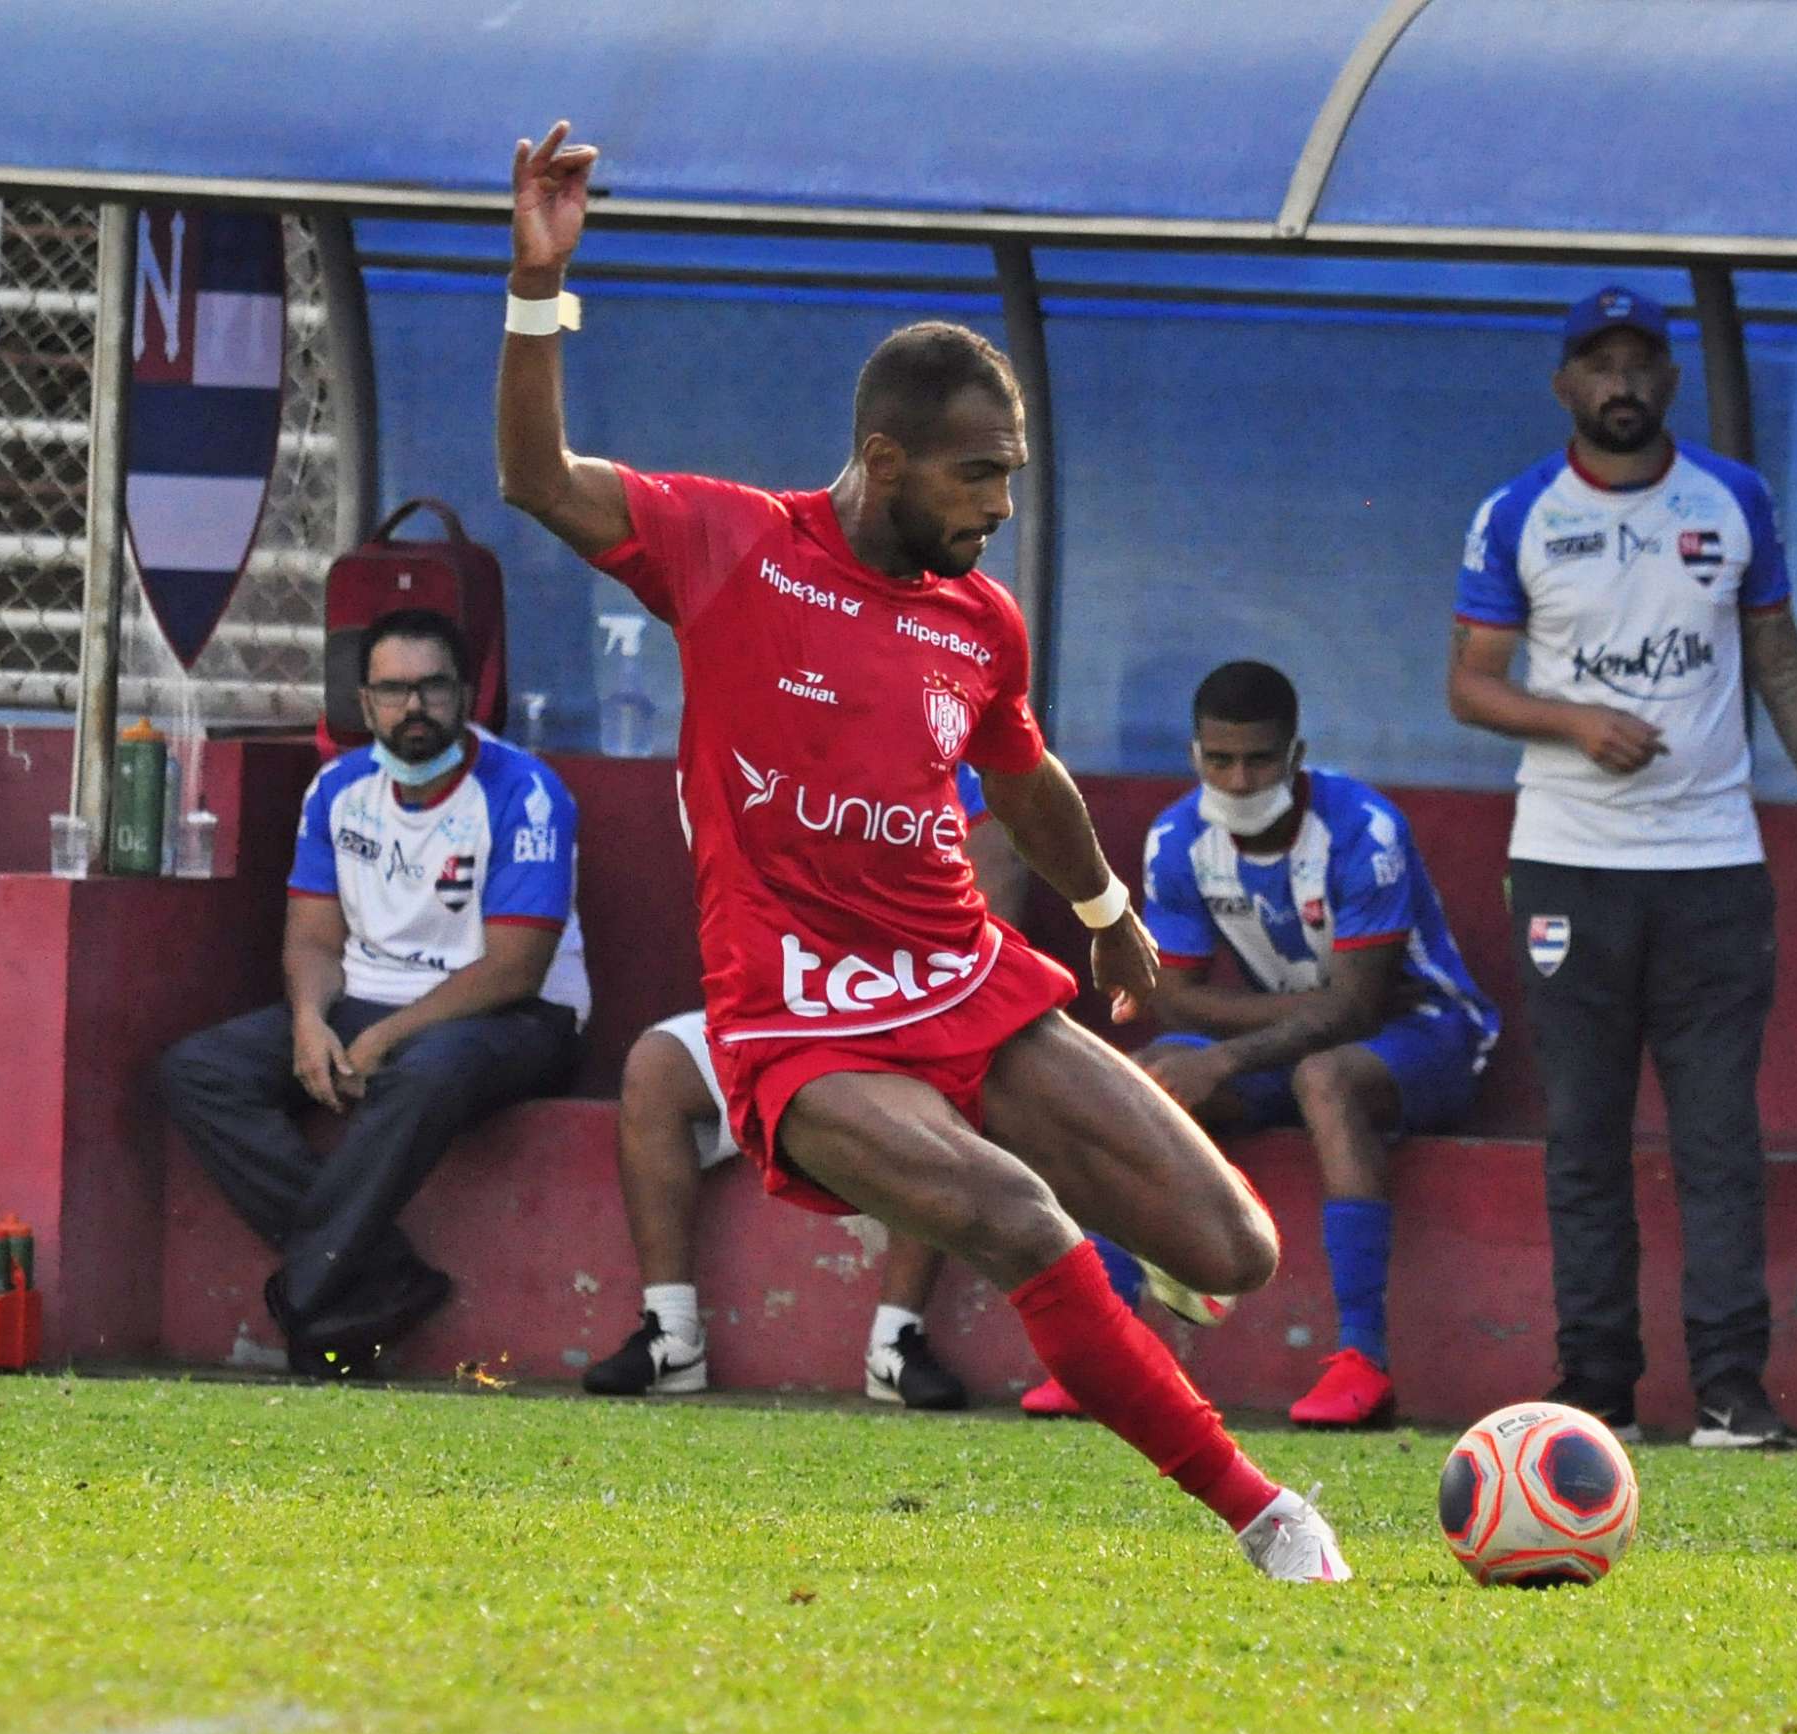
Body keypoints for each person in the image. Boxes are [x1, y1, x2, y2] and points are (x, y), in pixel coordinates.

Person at [497, 122, 1347, 1581]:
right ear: (884, 458)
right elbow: (536, 477)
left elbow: (1024, 773)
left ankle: (1079, 1250)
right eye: (974, 476)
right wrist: (536, 285)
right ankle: (1265, 1512)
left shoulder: (979, 619)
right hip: (798, 1015)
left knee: (1238, 1250)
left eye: (1009, 474)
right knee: (1017, 1219)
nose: (998, 504)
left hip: (958, 973)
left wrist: (1101, 911)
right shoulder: (732, 545)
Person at [1446, 285, 1797, 1450]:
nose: (1620, 383)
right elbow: (1470, 682)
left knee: (1717, 1137)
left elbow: (1779, 659)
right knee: (1583, 1133)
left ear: (1671, 381)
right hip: (1567, 862)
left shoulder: (1731, 501)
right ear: (1563, 386)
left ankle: (1731, 1390)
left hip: (1711, 862)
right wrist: (1574, 722)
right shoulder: (1517, 514)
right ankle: (1595, 1387)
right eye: (1598, 365)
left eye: (1641, 362)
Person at [1020, 662, 1497, 1429]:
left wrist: (1234, 1049)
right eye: (1221, 759)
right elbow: (1170, 993)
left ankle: (1361, 1361)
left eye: (1259, 759)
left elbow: (1359, 1009)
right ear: (1194, 755)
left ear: (1296, 754)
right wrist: (1293, 1014)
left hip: (1431, 1030)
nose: (1239, 779)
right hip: (1301, 1035)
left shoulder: (1362, 829)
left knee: (1323, 1078)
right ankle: (1100, 1349)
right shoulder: (1179, 838)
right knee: (1145, 1079)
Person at [161, 608, 588, 1378]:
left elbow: (516, 966)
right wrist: (308, 1021)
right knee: (200, 1069)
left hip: (514, 1016)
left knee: (423, 1070)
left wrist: (387, 1038)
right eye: (392, 691)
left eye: (431, 687)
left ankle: (307, 1297)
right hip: (373, 999)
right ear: (364, 704)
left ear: (465, 695)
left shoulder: (525, 791)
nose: (412, 707)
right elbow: (316, 939)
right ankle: (378, 1275)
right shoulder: (337, 789)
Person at [584, 764, 1026, 1410]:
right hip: (787, 1011)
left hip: (900, 1015)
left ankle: (895, 1342)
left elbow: (994, 927)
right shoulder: (767, 757)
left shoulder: (954, 771)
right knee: (658, 1066)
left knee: (950, 1077)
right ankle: (671, 1332)